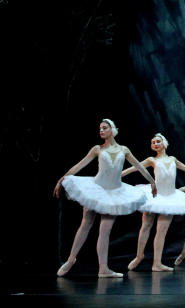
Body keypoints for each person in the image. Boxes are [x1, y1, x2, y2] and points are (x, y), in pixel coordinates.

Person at [54, 119, 157, 277]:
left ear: (112, 130)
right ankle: (70, 259)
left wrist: (152, 182)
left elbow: (139, 167)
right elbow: (79, 165)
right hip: (96, 190)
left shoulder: (124, 150)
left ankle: (103, 268)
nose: (101, 131)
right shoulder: (97, 149)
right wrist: (62, 179)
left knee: (105, 231)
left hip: (115, 193)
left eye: (104, 128)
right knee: (85, 224)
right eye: (100, 128)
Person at [123, 133, 185, 271]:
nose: (155, 144)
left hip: (170, 197)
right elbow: (136, 167)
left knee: (162, 231)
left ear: (164, 143)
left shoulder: (173, 159)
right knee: (146, 225)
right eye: (153, 142)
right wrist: (120, 174)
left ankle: (157, 263)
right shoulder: (151, 159)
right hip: (154, 195)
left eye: (158, 141)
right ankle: (139, 255)